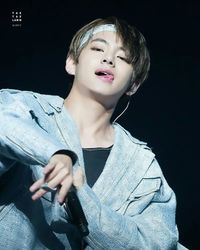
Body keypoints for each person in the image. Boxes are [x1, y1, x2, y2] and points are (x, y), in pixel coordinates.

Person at [0, 16, 187, 249]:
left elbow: (157, 242)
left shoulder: (142, 166)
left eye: (123, 58)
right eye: (98, 48)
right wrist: (56, 153)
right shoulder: (28, 109)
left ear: (133, 85)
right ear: (71, 62)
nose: (109, 59)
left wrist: (82, 195)